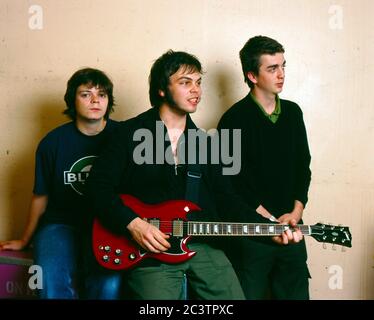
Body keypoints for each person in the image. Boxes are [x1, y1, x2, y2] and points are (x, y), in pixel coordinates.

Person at [85, 50, 302, 300]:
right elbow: (98, 188)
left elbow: (227, 200)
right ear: (162, 89)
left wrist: (270, 229)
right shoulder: (129, 133)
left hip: (200, 244)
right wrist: (133, 223)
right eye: (185, 82)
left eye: (198, 83)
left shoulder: (205, 144)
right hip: (149, 247)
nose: (196, 90)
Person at [0, 68, 122, 299]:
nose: (95, 100)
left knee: (109, 286)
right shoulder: (52, 143)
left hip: (105, 224)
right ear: (72, 100)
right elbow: (41, 196)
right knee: (48, 280)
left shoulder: (123, 137)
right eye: (86, 94)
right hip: (60, 224)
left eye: (102, 94)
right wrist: (25, 239)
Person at [217, 36, 312, 300]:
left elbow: (303, 168)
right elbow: (233, 183)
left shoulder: (293, 113)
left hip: (292, 229)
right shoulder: (233, 119)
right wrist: (268, 223)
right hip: (252, 235)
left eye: (283, 66)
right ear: (252, 75)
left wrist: (295, 212)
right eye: (272, 68)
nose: (281, 74)